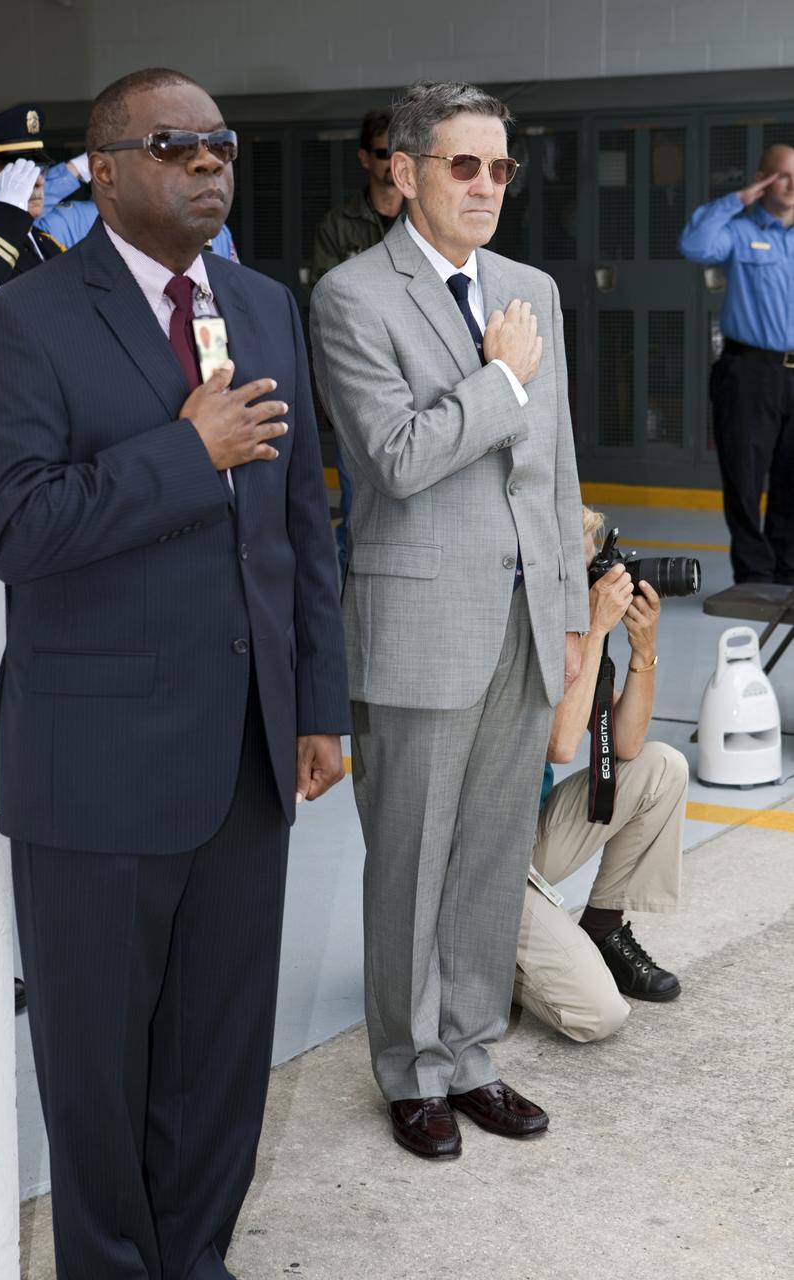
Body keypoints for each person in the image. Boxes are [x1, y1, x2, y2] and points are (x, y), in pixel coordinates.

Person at [0, 66, 349, 1280]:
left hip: (246, 754)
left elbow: (298, 526)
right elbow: (18, 526)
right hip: (96, 773)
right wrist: (187, 452)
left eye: (221, 144)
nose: (209, 163)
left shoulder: (262, 304)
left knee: (221, 1053)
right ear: (105, 168)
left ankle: (197, 1258)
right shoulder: (20, 322)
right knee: (98, 1067)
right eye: (175, 143)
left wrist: (318, 703)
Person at [310, 80, 588, 1162]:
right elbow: (399, 458)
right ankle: (409, 1068)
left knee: (487, 853)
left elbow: (556, 467)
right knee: (409, 862)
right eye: (463, 165)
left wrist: (566, 610)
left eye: (500, 168)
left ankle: (471, 1054)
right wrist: (501, 384)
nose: (485, 185)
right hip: (420, 622)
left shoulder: (532, 289)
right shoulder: (352, 298)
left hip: (524, 620)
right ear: (405, 172)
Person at [514, 506, 687, 1043]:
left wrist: (643, 649)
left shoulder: (574, 633)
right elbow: (561, 744)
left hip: (532, 836)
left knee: (662, 767)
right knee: (600, 1016)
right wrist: (593, 628)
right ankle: (475, 962)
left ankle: (602, 929)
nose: (599, 584)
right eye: (586, 573)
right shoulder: (518, 623)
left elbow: (628, 744)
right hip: (483, 860)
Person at [679, 144, 794, 585]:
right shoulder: (740, 232)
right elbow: (694, 244)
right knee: (745, 478)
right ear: (763, 178)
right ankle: (754, 575)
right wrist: (738, 199)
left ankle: (787, 570)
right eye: (780, 175)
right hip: (750, 372)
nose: (789, 184)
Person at [310, 108, 404, 577]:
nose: (393, 162)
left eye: (400, 151)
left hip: (417, 375)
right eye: (385, 152)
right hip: (363, 381)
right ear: (366, 158)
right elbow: (331, 306)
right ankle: (348, 614)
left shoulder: (424, 217)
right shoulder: (340, 224)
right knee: (355, 511)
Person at [38, 151, 241, 260]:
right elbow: (22, 216)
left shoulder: (212, 228)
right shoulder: (71, 219)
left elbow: (232, 291)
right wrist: (75, 170)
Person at [0, 105, 66, 285]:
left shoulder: (47, 242)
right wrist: (7, 210)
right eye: (18, 172)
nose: (38, 181)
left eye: (38, 169)